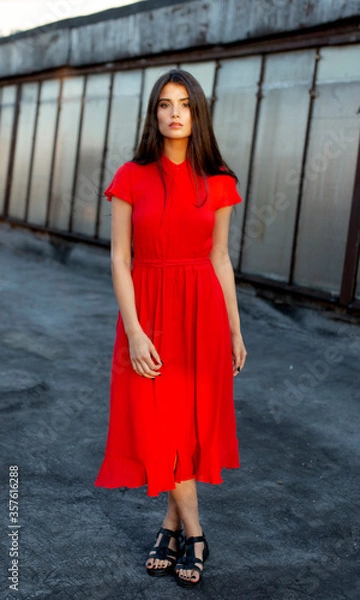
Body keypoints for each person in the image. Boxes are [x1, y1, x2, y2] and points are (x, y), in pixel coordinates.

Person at [94, 68, 247, 588]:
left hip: (202, 313)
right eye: (164, 103)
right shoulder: (131, 176)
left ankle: (169, 525)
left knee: (186, 426)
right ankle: (197, 533)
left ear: (197, 112)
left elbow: (221, 258)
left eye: (184, 103)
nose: (174, 112)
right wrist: (135, 331)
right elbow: (119, 259)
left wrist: (235, 327)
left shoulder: (220, 178)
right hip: (150, 312)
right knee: (160, 424)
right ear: (154, 113)